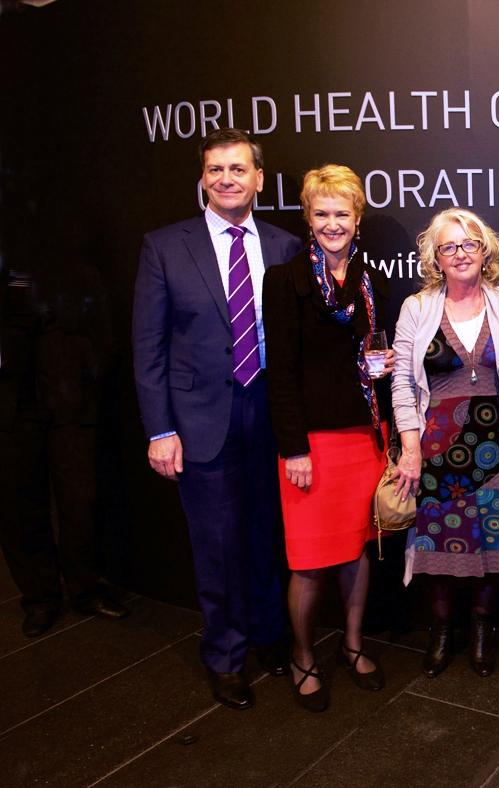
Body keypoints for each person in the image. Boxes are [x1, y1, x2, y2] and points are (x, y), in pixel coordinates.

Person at [132, 128, 300, 710]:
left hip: (270, 417)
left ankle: (270, 638)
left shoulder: (284, 246)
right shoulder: (165, 246)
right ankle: (226, 656)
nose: (226, 179)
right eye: (215, 170)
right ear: (202, 179)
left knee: (268, 536)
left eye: (237, 169)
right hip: (200, 422)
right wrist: (159, 429)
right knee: (217, 545)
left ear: (258, 178)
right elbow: (148, 347)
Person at [263, 164, 392, 712]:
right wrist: (294, 448)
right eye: (322, 214)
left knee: (357, 550)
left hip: (364, 437)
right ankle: (303, 656)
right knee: (310, 561)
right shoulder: (284, 280)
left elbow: (372, 354)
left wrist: (380, 367)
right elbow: (282, 373)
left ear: (357, 218)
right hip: (311, 444)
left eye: (342, 213)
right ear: (308, 218)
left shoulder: (371, 279)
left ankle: (354, 646)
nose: (332, 223)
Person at [390, 208, 499, 679]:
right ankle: (441, 632)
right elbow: (402, 387)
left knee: (491, 541)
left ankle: (481, 631)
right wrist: (410, 450)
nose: (460, 254)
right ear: (435, 257)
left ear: (485, 250)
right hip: (435, 448)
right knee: (438, 544)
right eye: (448, 246)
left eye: (469, 244)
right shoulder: (417, 307)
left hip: (496, 444)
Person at [0, 247, 129, 637]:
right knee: (20, 508)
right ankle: (40, 598)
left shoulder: (78, 272)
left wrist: (84, 383)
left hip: (72, 407)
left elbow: (106, 340)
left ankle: (86, 589)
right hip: (10, 408)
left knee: (80, 501)